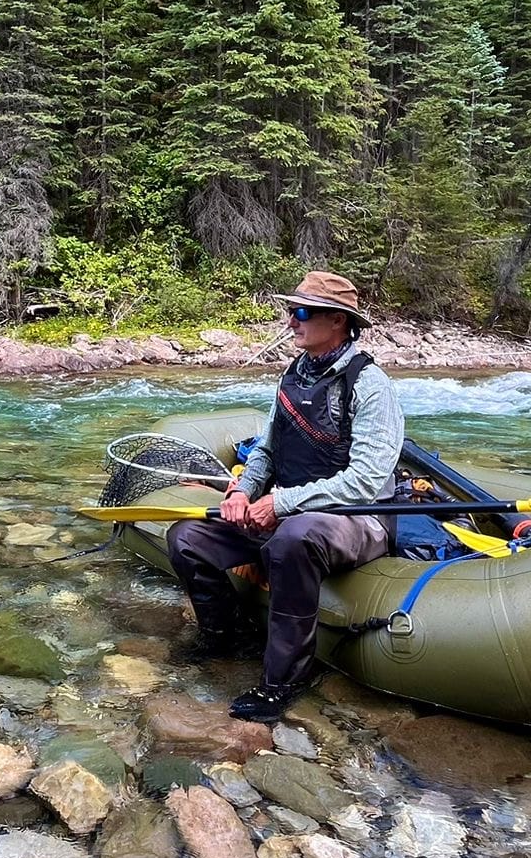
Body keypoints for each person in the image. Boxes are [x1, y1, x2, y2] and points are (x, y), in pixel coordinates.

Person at [165, 271, 404, 722]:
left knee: (294, 539)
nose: (291, 321)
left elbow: (365, 481)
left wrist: (280, 504)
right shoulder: (294, 374)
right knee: (187, 538)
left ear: (338, 320)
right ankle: (226, 636)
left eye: (302, 312)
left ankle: (285, 681)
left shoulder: (370, 385)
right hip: (290, 510)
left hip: (358, 519)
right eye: (291, 311)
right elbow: (267, 450)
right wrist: (244, 491)